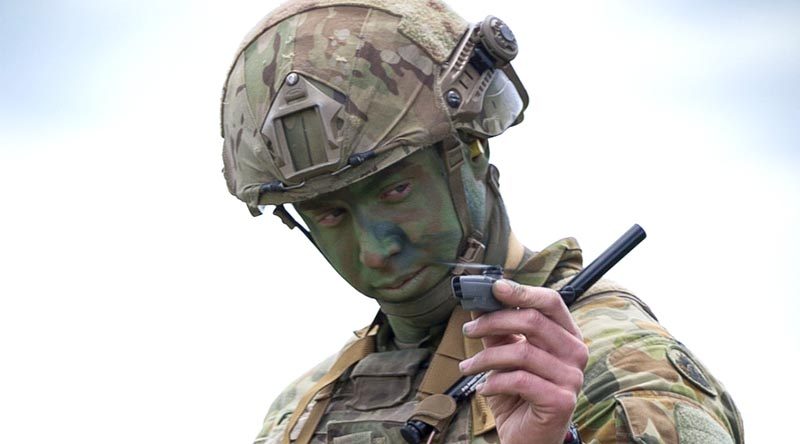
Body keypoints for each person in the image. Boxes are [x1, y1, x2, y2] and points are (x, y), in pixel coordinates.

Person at [219, 0, 744, 442]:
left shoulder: (617, 369)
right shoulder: (300, 415)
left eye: (397, 190)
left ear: (469, 151)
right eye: (330, 213)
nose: (376, 248)